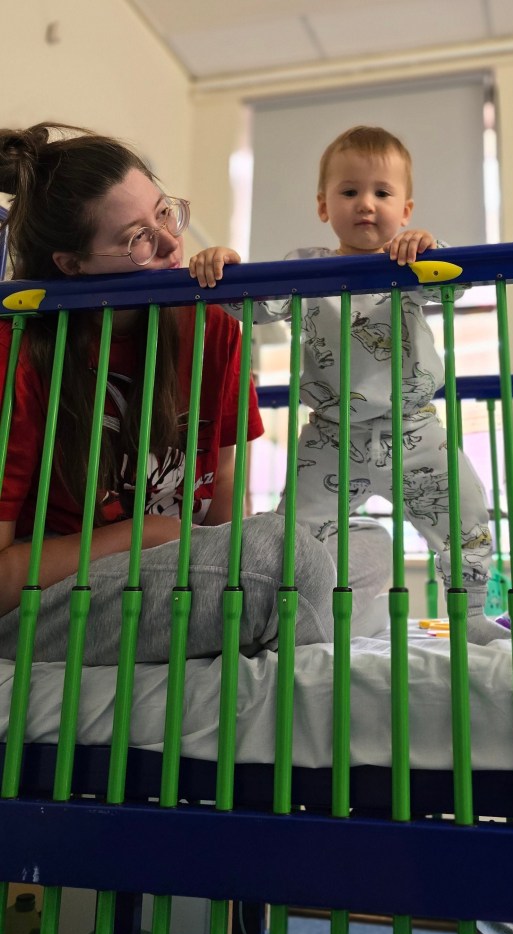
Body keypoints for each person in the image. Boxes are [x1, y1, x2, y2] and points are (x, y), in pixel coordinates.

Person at [0, 122, 391, 665]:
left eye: (164, 213)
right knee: (287, 557)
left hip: (180, 573)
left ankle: (260, 623)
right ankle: (286, 643)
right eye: (136, 237)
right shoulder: (16, 348)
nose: (170, 243)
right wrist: (146, 534)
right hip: (51, 603)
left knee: (365, 544)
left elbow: (225, 485)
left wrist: (218, 556)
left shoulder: (214, 324)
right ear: (72, 265)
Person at [190, 125, 509, 645]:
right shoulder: (305, 269)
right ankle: (285, 620)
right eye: (349, 192)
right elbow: (251, 307)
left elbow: (463, 280)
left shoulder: (411, 265)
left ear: (405, 210)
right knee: (293, 536)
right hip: (331, 435)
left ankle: (469, 612)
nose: (366, 204)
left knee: (464, 515)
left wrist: (431, 246)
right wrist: (225, 270)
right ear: (323, 206)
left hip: (415, 429)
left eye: (382, 193)